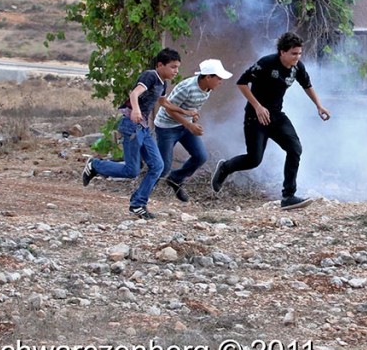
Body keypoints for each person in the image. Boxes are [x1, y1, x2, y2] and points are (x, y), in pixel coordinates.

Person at [211, 31, 330, 210]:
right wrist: (258, 106)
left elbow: (307, 85)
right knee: (254, 159)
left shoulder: (298, 67)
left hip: (276, 115)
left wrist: (319, 106)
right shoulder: (266, 63)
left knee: (295, 148)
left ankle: (288, 196)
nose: (297, 57)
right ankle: (225, 168)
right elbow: (242, 83)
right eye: (293, 53)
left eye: (299, 53)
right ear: (282, 52)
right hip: (255, 115)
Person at [81, 48, 192, 220]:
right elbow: (134, 94)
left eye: (177, 67)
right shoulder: (150, 76)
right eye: (172, 67)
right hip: (131, 125)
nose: (175, 71)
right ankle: (95, 165)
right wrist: (136, 110)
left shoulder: (162, 83)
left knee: (158, 166)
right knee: (131, 170)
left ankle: (138, 204)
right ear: (160, 65)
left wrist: (185, 111)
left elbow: (163, 102)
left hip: (143, 128)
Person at [155, 58, 233, 203]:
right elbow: (168, 109)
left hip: (185, 126)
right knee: (163, 167)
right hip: (167, 127)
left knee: (200, 156)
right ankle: (143, 194)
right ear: (208, 77)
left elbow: (193, 106)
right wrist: (189, 125)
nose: (221, 81)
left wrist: (194, 117)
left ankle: (176, 179)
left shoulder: (208, 89)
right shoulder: (187, 88)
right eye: (219, 78)